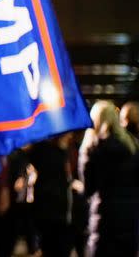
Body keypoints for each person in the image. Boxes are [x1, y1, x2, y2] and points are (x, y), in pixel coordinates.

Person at [79, 100, 139, 257]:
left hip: (103, 217)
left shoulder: (92, 147)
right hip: (129, 217)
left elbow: (88, 188)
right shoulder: (132, 145)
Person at [27, 134, 74, 257]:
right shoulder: (61, 152)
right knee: (59, 245)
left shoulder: (38, 149)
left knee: (47, 244)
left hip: (44, 204)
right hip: (59, 205)